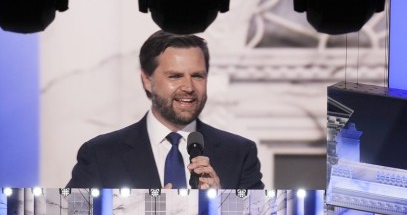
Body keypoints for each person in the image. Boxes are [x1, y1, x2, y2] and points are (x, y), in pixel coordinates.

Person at [67, 30, 264, 191]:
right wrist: (145, 214)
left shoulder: (239, 154)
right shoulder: (100, 154)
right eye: (175, 76)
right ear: (147, 80)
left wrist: (219, 203)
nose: (189, 87)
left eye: (197, 76)